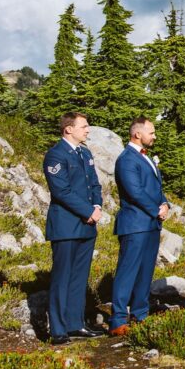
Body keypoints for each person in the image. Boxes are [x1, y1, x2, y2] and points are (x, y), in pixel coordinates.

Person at [43, 112, 104, 345]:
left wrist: (97, 205)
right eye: (84, 126)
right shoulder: (56, 155)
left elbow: (94, 184)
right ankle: (57, 329)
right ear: (69, 129)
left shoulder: (85, 153)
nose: (88, 130)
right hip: (67, 225)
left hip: (87, 226)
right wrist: (88, 211)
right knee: (62, 277)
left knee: (80, 277)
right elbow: (62, 191)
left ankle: (75, 323)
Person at [110, 117, 170, 335]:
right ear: (137, 134)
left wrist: (165, 203)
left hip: (151, 225)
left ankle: (140, 314)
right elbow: (134, 191)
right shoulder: (126, 159)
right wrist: (155, 209)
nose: (154, 136)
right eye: (151, 132)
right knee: (127, 271)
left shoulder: (147, 159)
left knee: (146, 272)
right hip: (134, 224)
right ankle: (117, 320)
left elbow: (156, 188)